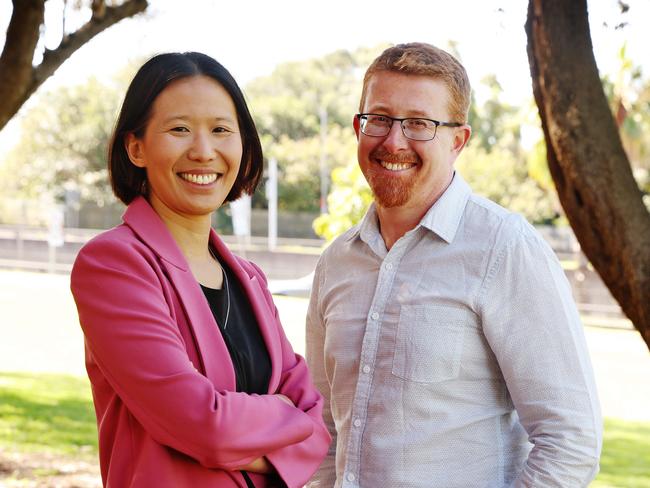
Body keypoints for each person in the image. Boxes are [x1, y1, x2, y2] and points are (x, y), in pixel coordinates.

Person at [306, 43, 602, 487]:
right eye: (380, 118)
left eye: (420, 124)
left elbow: (570, 440)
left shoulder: (504, 248)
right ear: (358, 127)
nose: (394, 141)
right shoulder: (336, 263)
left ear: (458, 140)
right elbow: (326, 431)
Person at [71, 52, 330, 488]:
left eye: (221, 130)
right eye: (179, 129)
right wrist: (284, 420)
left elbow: (317, 426)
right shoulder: (115, 265)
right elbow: (201, 424)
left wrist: (256, 430)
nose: (203, 151)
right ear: (136, 148)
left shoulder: (249, 279)